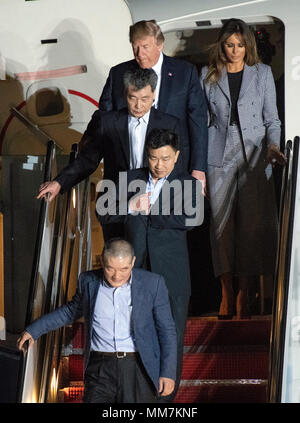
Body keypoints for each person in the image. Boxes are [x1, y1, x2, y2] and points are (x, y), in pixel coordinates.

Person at [98, 128, 203, 401]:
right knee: (135, 337)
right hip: (135, 275)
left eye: (166, 158)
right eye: (154, 158)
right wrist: (131, 206)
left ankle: (165, 403)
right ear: (147, 155)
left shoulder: (188, 183)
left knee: (171, 338)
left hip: (172, 276)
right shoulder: (130, 178)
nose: (159, 165)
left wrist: (153, 211)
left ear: (177, 156)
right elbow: (103, 211)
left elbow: (192, 219)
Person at [17, 239, 177, 403]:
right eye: (110, 268)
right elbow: (70, 312)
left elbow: (167, 330)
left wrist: (168, 372)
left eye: (124, 269)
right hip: (100, 367)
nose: (117, 276)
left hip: (137, 366)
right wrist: (34, 330)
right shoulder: (88, 281)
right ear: (102, 261)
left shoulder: (153, 283)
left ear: (133, 262)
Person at [200, 18, 286, 319]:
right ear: (222, 46)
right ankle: (225, 292)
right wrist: (199, 169)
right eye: (229, 45)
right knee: (221, 227)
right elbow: (204, 124)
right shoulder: (208, 75)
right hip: (218, 153)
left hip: (254, 154)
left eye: (239, 45)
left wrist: (274, 147)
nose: (234, 50)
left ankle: (245, 292)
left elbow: (272, 120)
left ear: (247, 45)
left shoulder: (261, 74)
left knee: (251, 225)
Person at [36, 68, 180, 241]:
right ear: (125, 93)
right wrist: (59, 182)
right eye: (132, 98)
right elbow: (88, 160)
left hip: (157, 204)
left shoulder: (170, 124)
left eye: (145, 99)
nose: (138, 105)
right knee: (116, 262)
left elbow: (178, 168)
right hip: (117, 202)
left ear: (154, 94)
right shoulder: (107, 122)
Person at [99, 19, 208, 193]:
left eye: (145, 47)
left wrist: (198, 169)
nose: (139, 53)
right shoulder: (118, 74)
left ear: (160, 45)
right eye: (135, 47)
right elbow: (104, 118)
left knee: (171, 218)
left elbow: (198, 122)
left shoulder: (185, 73)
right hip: (129, 173)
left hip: (174, 169)